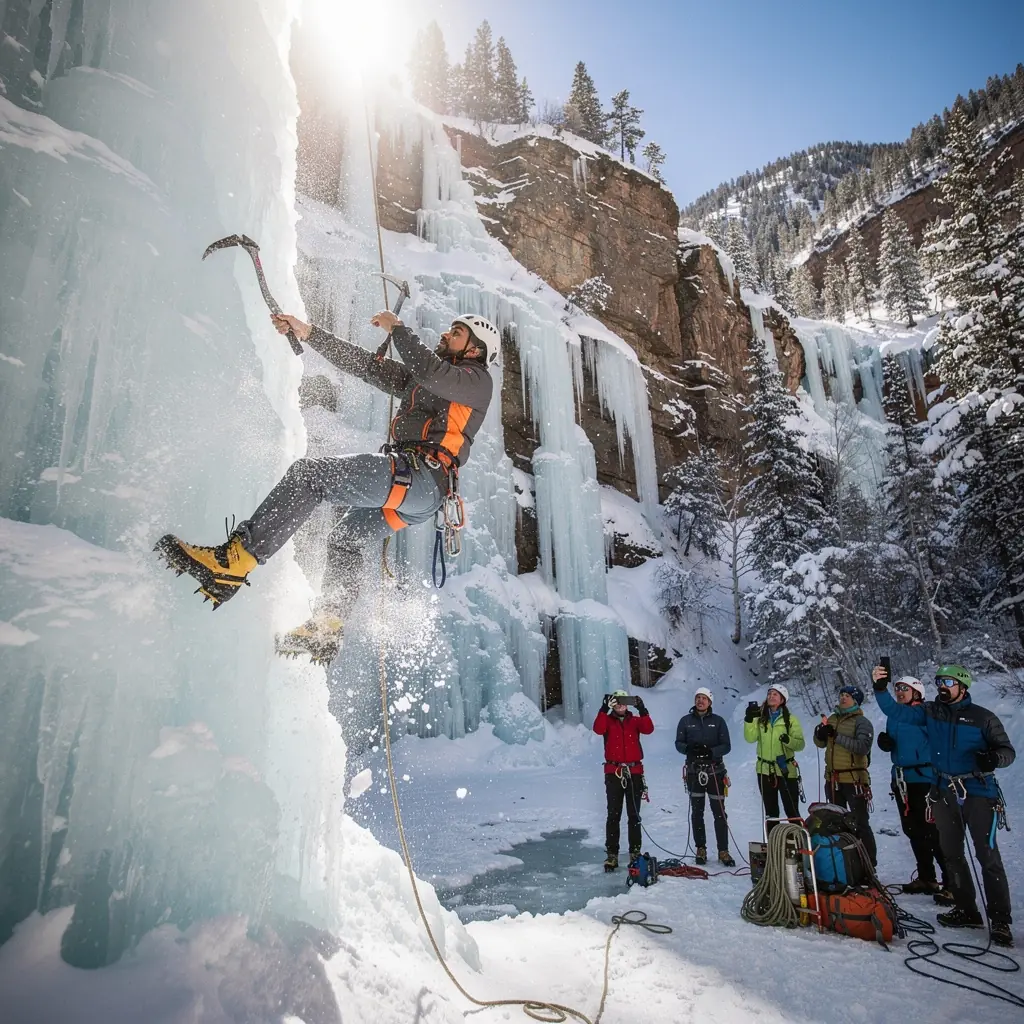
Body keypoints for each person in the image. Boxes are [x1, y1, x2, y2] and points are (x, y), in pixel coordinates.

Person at [155, 309, 498, 662]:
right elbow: (366, 366)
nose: (446, 334)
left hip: (421, 477)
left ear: (475, 349)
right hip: (418, 490)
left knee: (311, 477)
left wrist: (397, 328)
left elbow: (429, 369)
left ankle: (233, 561)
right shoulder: (426, 380)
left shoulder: (476, 380)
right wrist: (309, 333)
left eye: (457, 332)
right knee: (344, 538)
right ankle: (327, 625)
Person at [873, 664, 1016, 948]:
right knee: (951, 854)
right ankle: (967, 909)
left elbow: (1006, 751)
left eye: (948, 681)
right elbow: (896, 711)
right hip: (942, 791)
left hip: (977, 790)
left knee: (987, 857)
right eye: (939, 680)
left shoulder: (982, 718)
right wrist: (880, 689)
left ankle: (1000, 919)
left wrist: (993, 760)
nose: (942, 685)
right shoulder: (931, 712)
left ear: (963, 686)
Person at [876, 675, 950, 899]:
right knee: (912, 830)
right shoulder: (895, 717)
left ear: (916, 692)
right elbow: (899, 741)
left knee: (932, 830)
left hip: (924, 777)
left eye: (904, 688)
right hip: (902, 778)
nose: (899, 691)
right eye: (897, 688)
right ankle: (927, 877)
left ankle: (951, 881)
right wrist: (886, 742)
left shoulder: (925, 713)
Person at [814, 684, 876, 867]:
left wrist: (836, 735)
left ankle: (869, 864)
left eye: (847, 695)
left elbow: (862, 747)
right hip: (833, 780)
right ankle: (843, 864)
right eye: (841, 694)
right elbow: (821, 743)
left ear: (855, 700)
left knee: (860, 823)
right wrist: (819, 734)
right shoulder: (833, 718)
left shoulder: (862, 722)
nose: (842, 698)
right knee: (835, 822)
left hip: (854, 779)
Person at [593, 690, 654, 871]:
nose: (620, 705)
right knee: (614, 814)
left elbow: (648, 729)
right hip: (614, 772)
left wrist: (642, 708)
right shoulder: (608, 721)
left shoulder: (634, 721)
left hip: (634, 771)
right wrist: (604, 709)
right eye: (616, 702)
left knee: (634, 815)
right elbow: (598, 729)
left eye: (623, 701)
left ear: (628, 704)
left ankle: (635, 852)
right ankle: (612, 854)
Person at [674, 687, 735, 866]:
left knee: (719, 813)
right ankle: (701, 848)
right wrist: (688, 749)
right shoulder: (685, 721)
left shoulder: (718, 721)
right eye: (698, 698)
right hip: (694, 772)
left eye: (704, 698)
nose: (700, 701)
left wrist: (711, 751)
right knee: (697, 812)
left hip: (715, 772)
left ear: (710, 702)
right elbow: (678, 743)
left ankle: (723, 851)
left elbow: (727, 745)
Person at [744, 685, 805, 833]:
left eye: (775, 694)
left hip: (786, 769)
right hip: (765, 770)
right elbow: (750, 738)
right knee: (771, 813)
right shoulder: (760, 718)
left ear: (783, 700)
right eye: (769, 694)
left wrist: (788, 740)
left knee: (792, 811)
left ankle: (798, 846)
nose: (771, 696)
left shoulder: (790, 719)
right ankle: (773, 846)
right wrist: (749, 719)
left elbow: (800, 744)